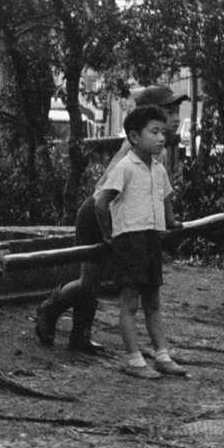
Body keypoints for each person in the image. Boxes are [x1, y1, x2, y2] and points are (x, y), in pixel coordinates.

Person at [35, 84, 188, 353]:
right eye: (168, 111)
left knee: (96, 282)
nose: (175, 118)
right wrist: (110, 229)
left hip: (125, 221)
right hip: (98, 214)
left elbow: (158, 191)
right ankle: (50, 308)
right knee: (88, 281)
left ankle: (79, 336)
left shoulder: (158, 151)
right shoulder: (133, 149)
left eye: (176, 111)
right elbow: (109, 195)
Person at [94, 105, 187, 379]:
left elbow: (166, 197)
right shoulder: (125, 167)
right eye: (154, 132)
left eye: (163, 132)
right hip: (129, 239)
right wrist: (108, 233)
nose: (161, 138)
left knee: (153, 299)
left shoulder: (158, 169)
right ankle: (134, 359)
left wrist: (170, 222)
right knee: (130, 302)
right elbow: (102, 203)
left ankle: (162, 355)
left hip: (151, 238)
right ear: (134, 137)